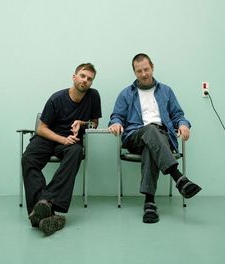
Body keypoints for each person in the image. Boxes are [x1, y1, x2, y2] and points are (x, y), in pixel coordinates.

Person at [108, 53, 201, 224]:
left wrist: (183, 124)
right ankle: (178, 177)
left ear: (152, 67)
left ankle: (149, 203)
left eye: (146, 69)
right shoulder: (126, 94)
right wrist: (115, 123)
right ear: (134, 72)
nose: (143, 74)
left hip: (162, 137)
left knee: (150, 146)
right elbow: (116, 116)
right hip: (135, 136)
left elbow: (178, 115)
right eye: (139, 71)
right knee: (150, 129)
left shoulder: (166, 91)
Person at [22, 63, 102, 235]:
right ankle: (47, 212)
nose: (85, 81)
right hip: (48, 137)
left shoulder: (93, 96)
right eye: (82, 76)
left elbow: (94, 123)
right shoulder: (56, 99)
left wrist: (81, 123)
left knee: (75, 152)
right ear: (74, 77)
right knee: (28, 158)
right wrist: (62, 139)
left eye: (89, 79)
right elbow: (41, 128)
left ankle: (44, 207)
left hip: (71, 142)